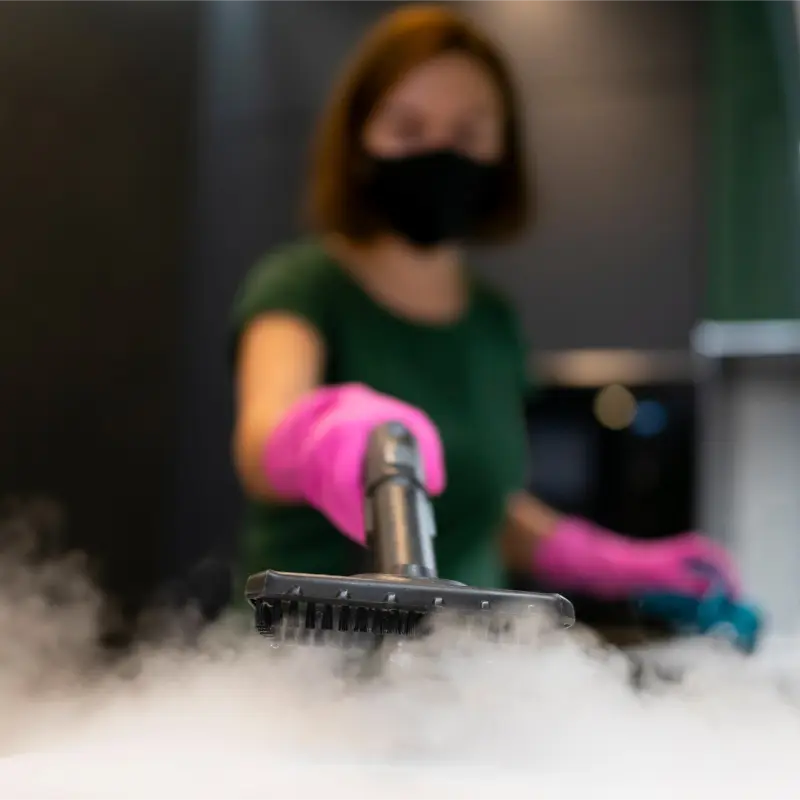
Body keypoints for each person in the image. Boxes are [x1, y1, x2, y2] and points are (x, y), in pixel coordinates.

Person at [229, 5, 741, 612]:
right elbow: (261, 440)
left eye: (468, 133)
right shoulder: (302, 284)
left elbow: (483, 506)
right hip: (299, 663)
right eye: (409, 128)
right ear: (359, 142)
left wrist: (608, 561)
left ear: (501, 154)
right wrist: (322, 434)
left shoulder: (492, 321)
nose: (440, 153)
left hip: (451, 673)